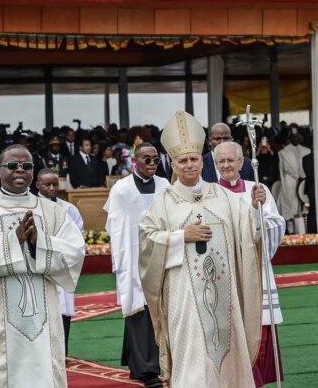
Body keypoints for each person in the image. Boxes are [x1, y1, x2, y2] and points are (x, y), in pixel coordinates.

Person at [139, 110, 262, 387]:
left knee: (226, 350)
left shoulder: (225, 197)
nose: (190, 165)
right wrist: (182, 236)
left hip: (224, 294)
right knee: (192, 352)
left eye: (194, 159)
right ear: (173, 164)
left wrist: (255, 210)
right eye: (183, 160)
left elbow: (248, 235)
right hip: (184, 297)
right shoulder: (164, 202)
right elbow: (147, 241)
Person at [0, 145, 86, 387]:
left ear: (33, 172)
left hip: (42, 316)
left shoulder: (54, 212)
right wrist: (13, 241)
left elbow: (75, 251)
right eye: (12, 166)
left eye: (27, 166)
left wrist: (39, 242)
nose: (20, 170)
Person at [215, 141, 286, 388]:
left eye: (230, 160)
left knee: (259, 334)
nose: (226, 165)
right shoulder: (210, 193)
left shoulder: (258, 189)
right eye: (221, 161)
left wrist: (257, 212)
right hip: (226, 276)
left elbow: (275, 225)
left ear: (241, 162)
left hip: (255, 273)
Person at [104, 142, 169, 388]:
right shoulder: (122, 189)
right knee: (139, 310)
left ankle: (135, 363)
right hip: (133, 255)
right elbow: (116, 226)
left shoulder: (165, 185)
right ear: (135, 161)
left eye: (155, 159)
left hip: (162, 252)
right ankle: (148, 370)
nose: (152, 163)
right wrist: (123, 260)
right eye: (146, 159)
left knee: (157, 309)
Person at [36, 168, 84, 356]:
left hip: (63, 266)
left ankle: (61, 352)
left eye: (55, 184)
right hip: (39, 266)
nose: (51, 188)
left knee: (62, 310)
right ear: (37, 184)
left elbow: (78, 236)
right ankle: (41, 353)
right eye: (47, 184)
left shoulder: (69, 209)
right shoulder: (29, 207)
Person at [276, 134, 310, 233]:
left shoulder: (306, 150)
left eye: (297, 136)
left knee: (301, 204)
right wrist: (295, 175)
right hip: (289, 180)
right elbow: (285, 168)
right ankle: (290, 229)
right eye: (293, 137)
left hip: (303, 180)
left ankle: (301, 230)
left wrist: (302, 177)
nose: (296, 138)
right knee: (290, 203)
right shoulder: (284, 152)